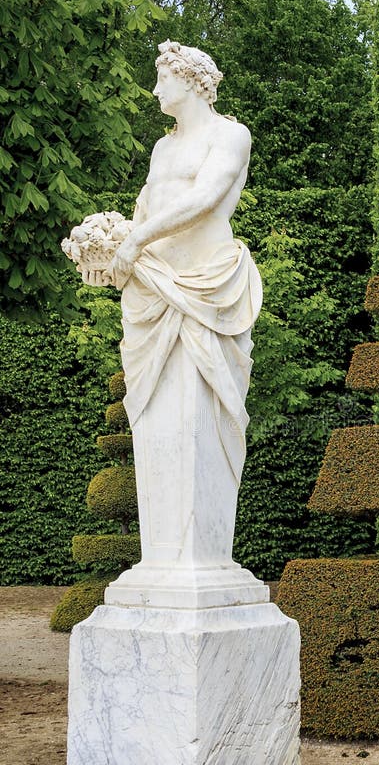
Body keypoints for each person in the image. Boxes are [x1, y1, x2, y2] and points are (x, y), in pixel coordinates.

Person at [82, 41, 263, 601]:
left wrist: (136, 238)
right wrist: (107, 246)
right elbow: (146, 210)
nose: (156, 90)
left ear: (191, 81)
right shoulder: (162, 149)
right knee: (155, 419)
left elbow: (208, 199)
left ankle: (203, 564)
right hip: (153, 294)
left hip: (210, 290)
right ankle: (161, 564)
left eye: (162, 80)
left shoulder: (230, 135)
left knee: (201, 418)